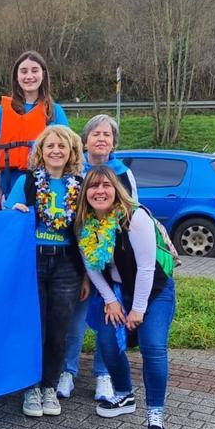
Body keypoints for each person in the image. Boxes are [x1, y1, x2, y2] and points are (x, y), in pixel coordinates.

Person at [74, 165, 177, 429]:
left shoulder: (135, 216)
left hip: (153, 290)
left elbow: (146, 269)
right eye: (93, 187)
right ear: (85, 193)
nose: (99, 191)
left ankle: (155, 414)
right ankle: (124, 394)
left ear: (116, 190)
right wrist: (110, 300)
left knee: (152, 346)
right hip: (118, 291)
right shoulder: (85, 223)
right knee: (107, 341)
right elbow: (91, 266)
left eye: (106, 185)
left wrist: (138, 310)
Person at [6, 125, 88, 418]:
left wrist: (88, 275)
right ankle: (30, 386)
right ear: (40, 151)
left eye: (62, 146)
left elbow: (89, 232)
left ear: (71, 152)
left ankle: (49, 386)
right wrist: (14, 211)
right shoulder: (26, 181)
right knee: (34, 327)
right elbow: (8, 216)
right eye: (50, 145)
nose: (55, 151)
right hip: (33, 261)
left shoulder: (80, 184)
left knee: (58, 329)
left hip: (67, 264)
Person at [58, 114, 139, 401]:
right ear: (86, 140)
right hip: (79, 257)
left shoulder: (123, 173)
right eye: (96, 134)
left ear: (114, 142)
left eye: (107, 134)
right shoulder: (75, 172)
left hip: (112, 261)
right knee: (75, 318)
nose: (101, 139)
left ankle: (104, 375)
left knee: (109, 316)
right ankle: (68, 370)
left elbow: (134, 212)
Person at [0, 51, 69, 197]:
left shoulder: (55, 111)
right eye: (23, 71)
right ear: (16, 76)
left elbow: (68, 150)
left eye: (35, 70)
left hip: (46, 186)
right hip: (10, 185)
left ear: (43, 75)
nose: (29, 76)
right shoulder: (3, 111)